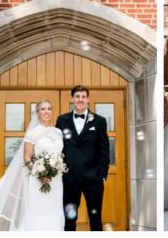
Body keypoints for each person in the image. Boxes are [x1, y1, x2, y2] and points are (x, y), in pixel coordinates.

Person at [0, 102, 65, 230]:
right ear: (37, 113)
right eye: (43, 109)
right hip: (38, 179)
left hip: (56, 181)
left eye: (49, 108)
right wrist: (40, 175)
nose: (47, 111)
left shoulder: (58, 132)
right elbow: (26, 158)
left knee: (54, 210)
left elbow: (59, 155)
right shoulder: (33, 133)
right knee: (38, 211)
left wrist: (56, 168)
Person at [57, 85, 110, 231]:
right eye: (77, 96)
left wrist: (102, 175)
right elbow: (58, 147)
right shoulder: (62, 120)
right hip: (70, 179)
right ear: (72, 99)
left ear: (88, 99)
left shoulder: (99, 121)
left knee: (95, 217)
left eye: (83, 97)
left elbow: (104, 150)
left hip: (93, 179)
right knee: (69, 219)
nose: (80, 100)